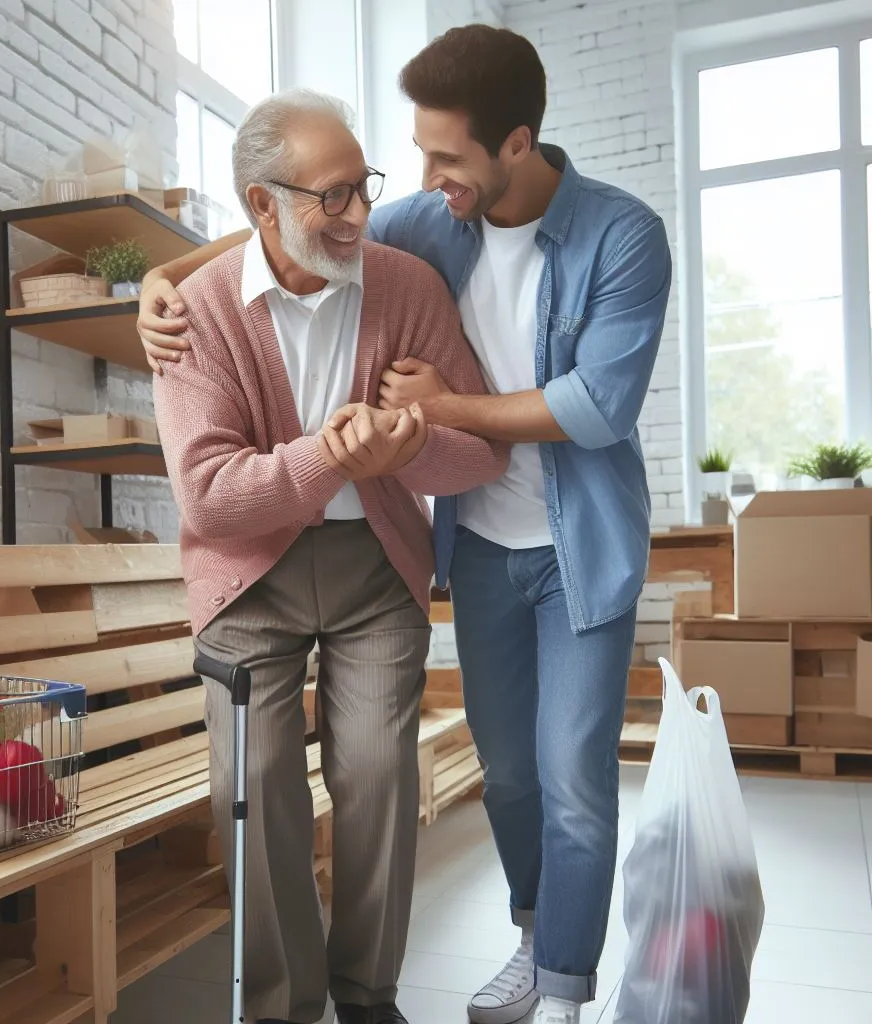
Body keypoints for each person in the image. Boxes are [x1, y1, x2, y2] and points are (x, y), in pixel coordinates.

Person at [141, 26, 671, 1024]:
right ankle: (322, 994)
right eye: (340, 191)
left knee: (497, 773)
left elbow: (554, 423)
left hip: (489, 552)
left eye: (431, 163)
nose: (390, 198)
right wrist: (161, 277)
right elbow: (211, 488)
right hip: (354, 561)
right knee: (347, 780)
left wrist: (416, 432)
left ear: (511, 145)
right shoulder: (396, 237)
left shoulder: (555, 244)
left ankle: (489, 988)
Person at [152, 86, 508, 1024]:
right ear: (262, 205)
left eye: (363, 187)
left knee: (379, 775)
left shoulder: (406, 286)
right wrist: (328, 455)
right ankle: (282, 1006)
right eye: (330, 196)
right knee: (255, 782)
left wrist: (404, 449)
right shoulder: (197, 314)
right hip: (247, 578)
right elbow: (211, 498)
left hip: (375, 566)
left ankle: (366, 995)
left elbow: (478, 448)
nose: (355, 214)